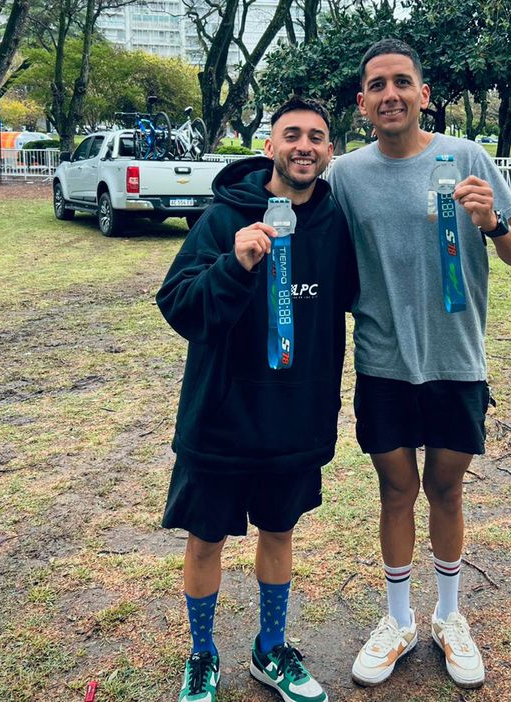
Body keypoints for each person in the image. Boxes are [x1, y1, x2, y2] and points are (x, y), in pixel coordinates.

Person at [328, 39, 511, 690]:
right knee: (396, 491)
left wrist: (494, 225)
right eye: (377, 86)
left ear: (423, 94)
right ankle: (398, 622)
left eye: (403, 82)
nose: (391, 94)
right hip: (384, 363)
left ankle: (449, 617)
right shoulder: (344, 176)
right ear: (363, 103)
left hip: (457, 361)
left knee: (446, 490)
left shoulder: (467, 159)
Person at [156, 96, 357, 702]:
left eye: (317, 137)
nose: (304, 146)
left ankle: (271, 648)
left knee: (279, 532)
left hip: (294, 422)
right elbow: (179, 304)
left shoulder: (335, 224)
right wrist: (235, 265)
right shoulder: (223, 217)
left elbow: (355, 300)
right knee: (205, 539)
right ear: (269, 146)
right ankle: (202, 654)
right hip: (220, 419)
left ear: (328, 151)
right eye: (291, 135)